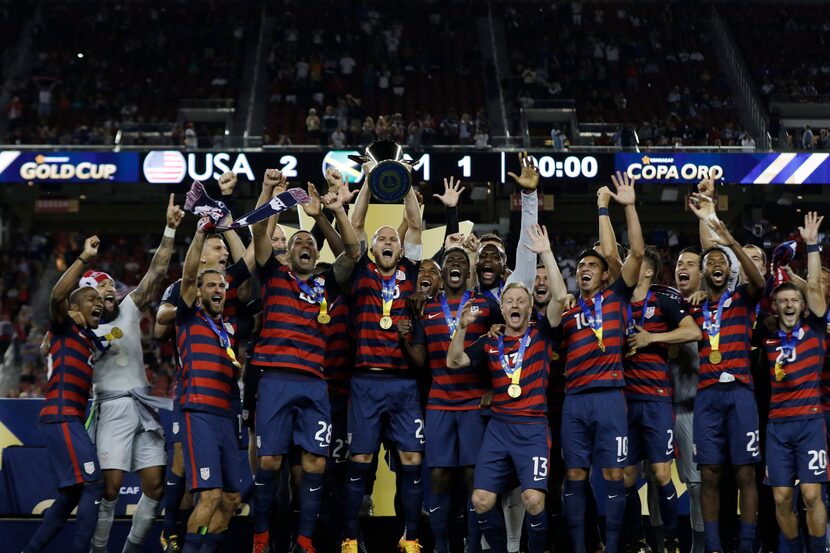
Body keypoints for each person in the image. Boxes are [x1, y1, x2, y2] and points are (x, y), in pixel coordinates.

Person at [249, 168, 361, 553]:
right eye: (297, 242)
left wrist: (324, 216)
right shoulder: (273, 276)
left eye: (309, 244)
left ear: (315, 253)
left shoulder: (327, 281)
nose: (304, 245)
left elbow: (352, 251)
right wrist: (269, 192)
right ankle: (261, 537)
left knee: (315, 465)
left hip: (316, 382)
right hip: (276, 378)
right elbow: (260, 236)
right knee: (269, 464)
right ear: (288, 252)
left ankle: (305, 541)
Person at [448, 224, 567, 553]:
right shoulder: (490, 342)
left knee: (533, 500)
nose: (515, 304)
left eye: (521, 300)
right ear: (502, 307)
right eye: (509, 300)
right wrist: (460, 328)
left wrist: (545, 252)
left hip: (532, 428)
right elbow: (454, 363)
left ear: (529, 308)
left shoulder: (541, 335)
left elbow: (558, 297)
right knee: (481, 500)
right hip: (498, 428)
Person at [88, 195, 184, 553]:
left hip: (142, 406)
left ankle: (130, 549)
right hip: (110, 408)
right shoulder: (80, 326)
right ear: (86, 298)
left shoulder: (128, 308)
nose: (110, 290)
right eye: (101, 288)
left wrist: (170, 228)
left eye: (112, 286)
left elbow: (156, 273)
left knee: (155, 486)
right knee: (110, 487)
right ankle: (98, 549)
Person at [339, 162, 424, 553]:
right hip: (366, 381)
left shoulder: (410, 270)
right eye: (382, 239)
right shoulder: (360, 271)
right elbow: (355, 226)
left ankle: (410, 538)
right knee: (360, 457)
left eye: (393, 238)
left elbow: (416, 224)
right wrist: (370, 185)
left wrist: (403, 180)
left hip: (404, 383)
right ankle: (351, 540)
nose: (389, 241)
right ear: (373, 248)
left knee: (411, 456)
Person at [559, 171, 644, 553]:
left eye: (592, 265)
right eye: (580, 266)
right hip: (574, 398)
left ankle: (612, 548)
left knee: (614, 474)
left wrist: (624, 207)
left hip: (611, 397)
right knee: (575, 474)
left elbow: (636, 254)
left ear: (605, 274)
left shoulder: (616, 299)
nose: (585, 268)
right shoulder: (567, 309)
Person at [409, 246, 502, 553]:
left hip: (474, 400)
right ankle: (440, 546)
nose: (456, 265)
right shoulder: (428, 307)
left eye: (462, 261)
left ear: (470, 270)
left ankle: (472, 545)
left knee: (472, 474)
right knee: (438, 474)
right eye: (450, 261)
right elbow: (420, 361)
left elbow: (502, 343)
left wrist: (493, 387)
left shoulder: (486, 304)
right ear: (443, 270)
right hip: (439, 400)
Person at [687, 195, 766, 553]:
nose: (716, 264)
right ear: (704, 273)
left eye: (722, 262)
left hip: (740, 392)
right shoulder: (695, 306)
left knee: (746, 473)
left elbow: (761, 283)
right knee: (709, 474)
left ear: (729, 270)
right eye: (711, 262)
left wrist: (729, 241)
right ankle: (714, 547)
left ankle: (747, 545)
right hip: (707, 395)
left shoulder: (743, 298)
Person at [23, 236, 105, 553]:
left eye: (99, 299)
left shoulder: (85, 337)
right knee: (93, 483)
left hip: (66, 418)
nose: (97, 302)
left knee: (71, 494)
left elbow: (111, 308)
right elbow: (58, 295)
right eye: (90, 299)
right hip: (62, 416)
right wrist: (85, 258)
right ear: (73, 308)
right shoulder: (64, 327)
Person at [176, 220, 243, 553]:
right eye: (212, 285)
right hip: (198, 411)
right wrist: (200, 232)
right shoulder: (188, 315)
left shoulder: (229, 327)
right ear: (199, 293)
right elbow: (188, 276)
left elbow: (251, 271)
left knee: (232, 498)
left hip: (225, 417)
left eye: (222, 286)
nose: (218, 290)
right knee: (210, 495)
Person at [762, 212, 827, 553]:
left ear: (803, 307)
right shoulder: (768, 338)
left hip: (809, 423)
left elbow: (815, 287)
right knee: (782, 497)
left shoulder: (815, 330)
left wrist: (812, 244)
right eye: (783, 300)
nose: (789, 303)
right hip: (777, 426)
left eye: (794, 300)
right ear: (775, 306)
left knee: (811, 493)